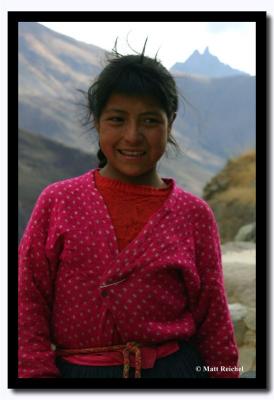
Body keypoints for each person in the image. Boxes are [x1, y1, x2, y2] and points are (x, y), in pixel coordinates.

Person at [18, 42, 240, 379]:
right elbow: (26, 299)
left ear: (171, 122)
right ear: (97, 122)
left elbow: (214, 319)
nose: (133, 136)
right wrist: (35, 377)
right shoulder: (58, 201)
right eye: (117, 119)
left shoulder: (194, 215)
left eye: (150, 120)